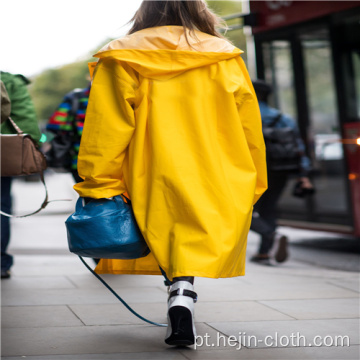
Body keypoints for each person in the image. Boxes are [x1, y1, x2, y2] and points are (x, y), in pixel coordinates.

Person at [73, 0, 267, 346]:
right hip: (215, 168)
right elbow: (249, 126)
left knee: (168, 233)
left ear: (145, 13)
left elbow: (106, 128)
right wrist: (254, 179)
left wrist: (97, 182)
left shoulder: (121, 58)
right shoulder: (224, 57)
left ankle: (178, 294)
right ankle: (182, 293)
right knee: (188, 239)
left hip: (150, 168)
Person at [250, 79, 313, 266]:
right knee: (269, 208)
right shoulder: (282, 117)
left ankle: (270, 234)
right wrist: (303, 174)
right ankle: (264, 252)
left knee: (244, 211)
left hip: (253, 170)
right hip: (279, 170)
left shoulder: (245, 114)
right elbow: (298, 148)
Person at [1, 71, 42, 279]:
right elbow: (24, 116)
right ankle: (0, 262)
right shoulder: (9, 80)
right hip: (2, 152)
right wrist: (34, 143)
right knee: (1, 205)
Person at [46, 85, 91, 183]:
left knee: (90, 195)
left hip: (80, 160)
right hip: (117, 162)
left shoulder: (75, 97)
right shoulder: (120, 95)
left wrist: (40, 141)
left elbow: (54, 126)